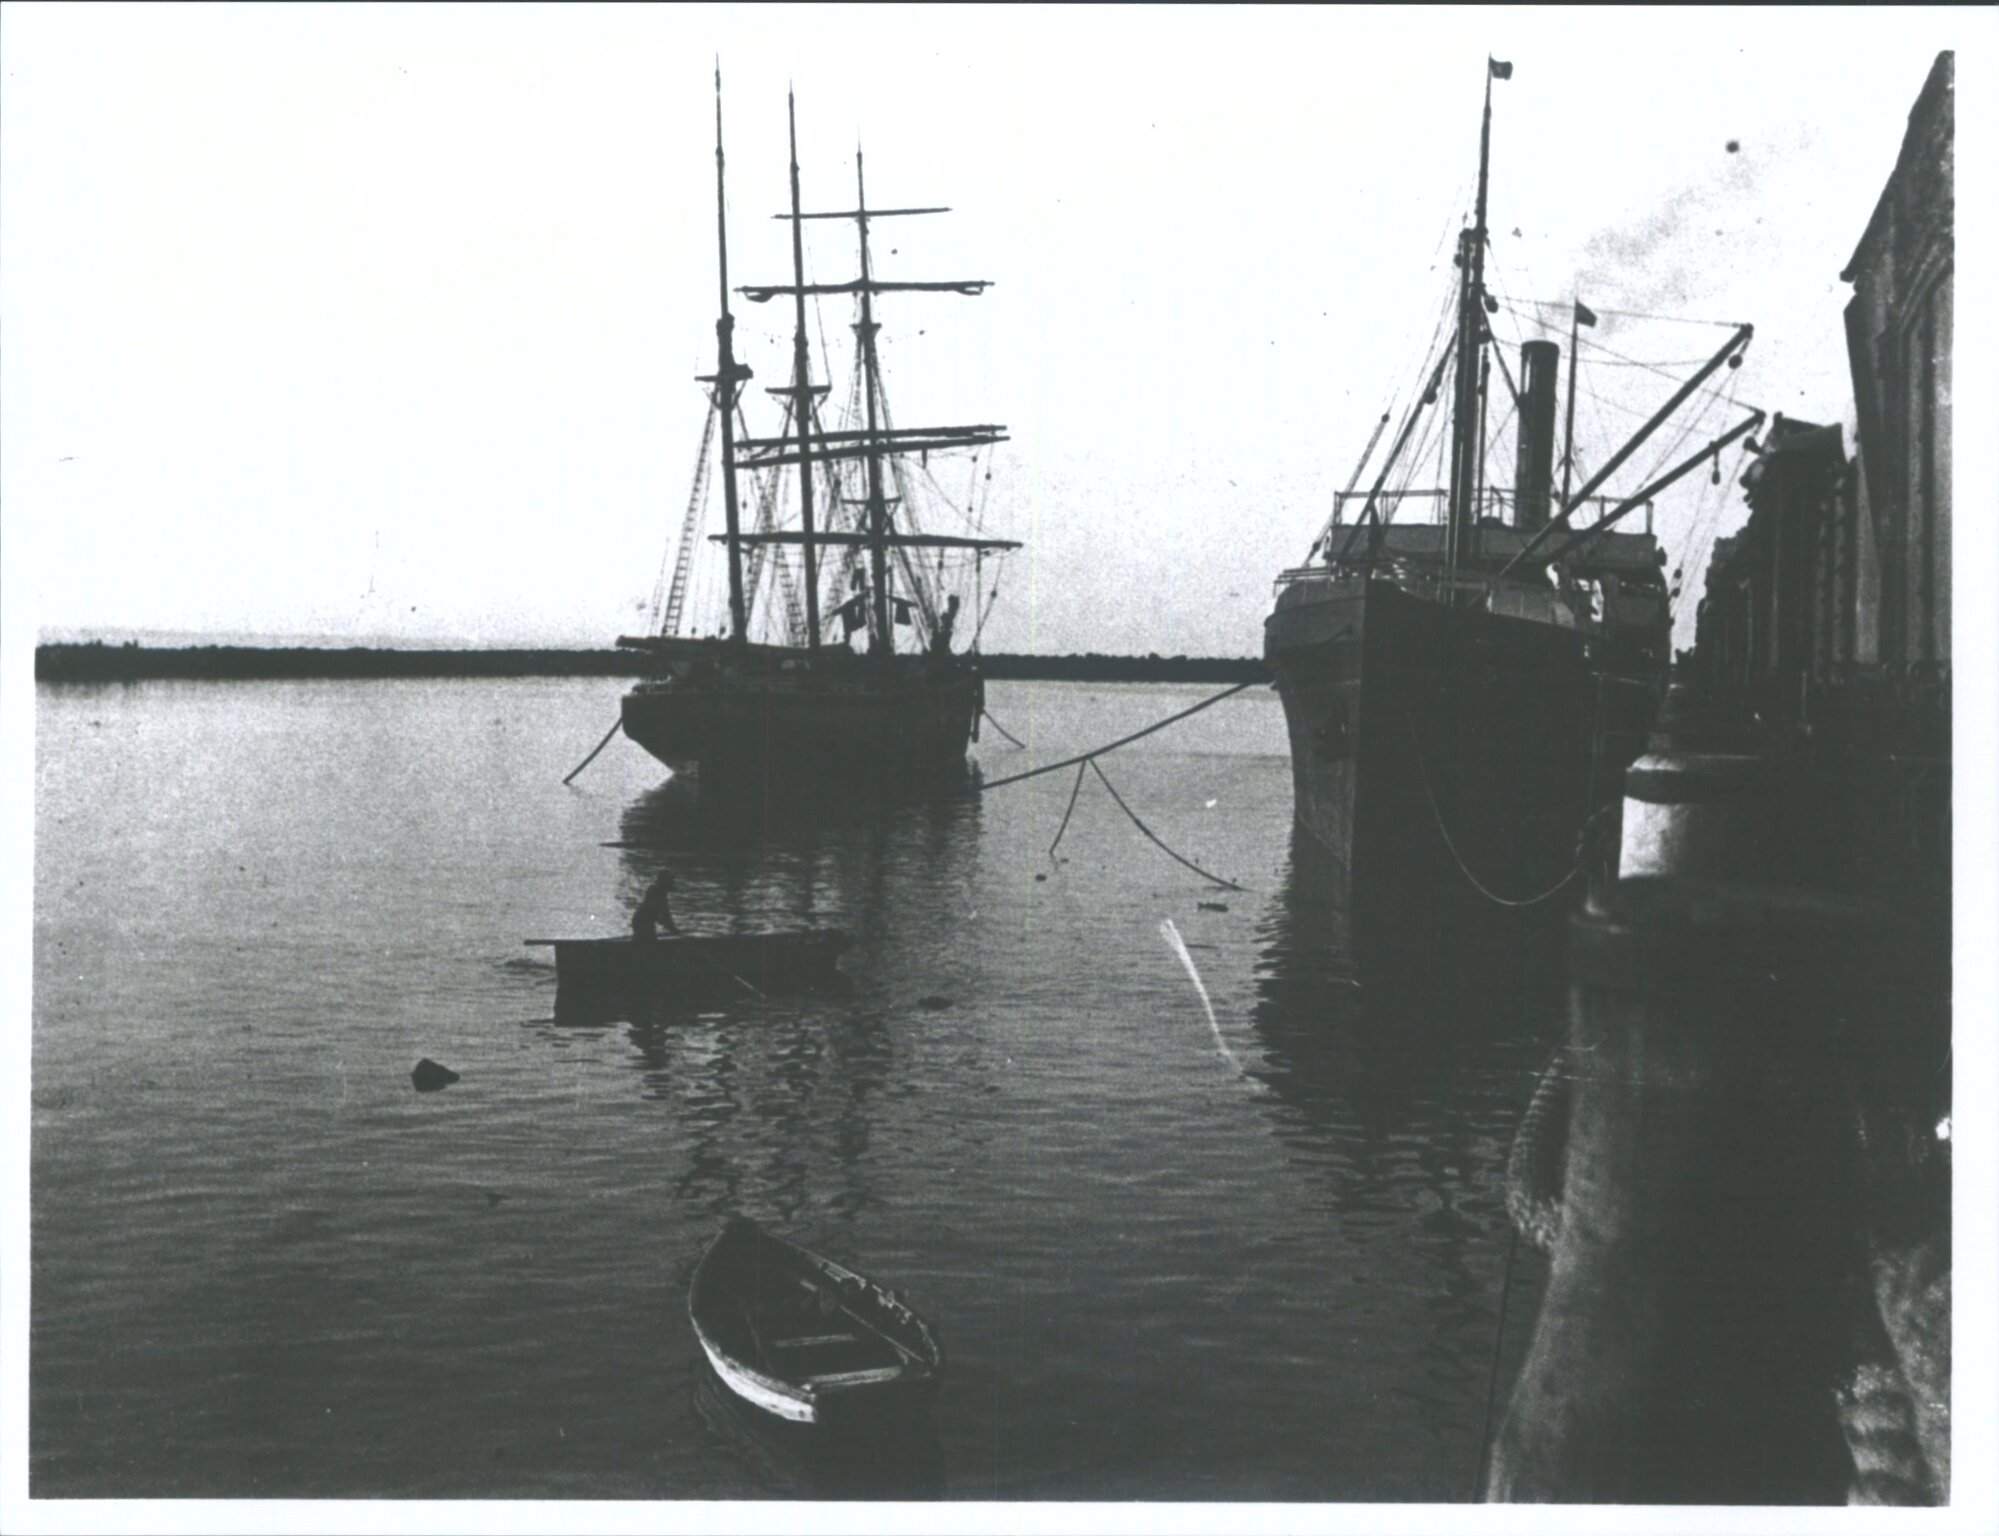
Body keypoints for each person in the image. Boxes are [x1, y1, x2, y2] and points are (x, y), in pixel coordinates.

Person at [631, 872, 680, 940]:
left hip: (645, 921)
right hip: (642, 921)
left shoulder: (660, 892)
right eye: (670, 881)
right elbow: (659, 914)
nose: (672, 883)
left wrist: (672, 928)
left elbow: (664, 914)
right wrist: (672, 929)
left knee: (649, 939)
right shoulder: (655, 891)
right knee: (648, 941)